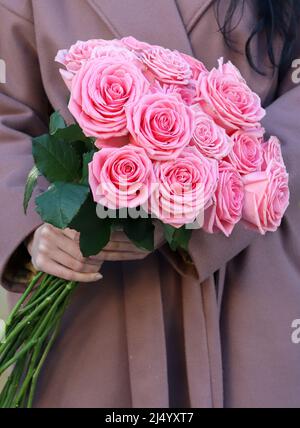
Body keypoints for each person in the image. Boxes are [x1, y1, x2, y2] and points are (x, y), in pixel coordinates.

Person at [0, 0, 300, 408]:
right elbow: (7, 120)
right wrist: (38, 227)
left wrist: (196, 194)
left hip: (244, 269)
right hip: (91, 285)